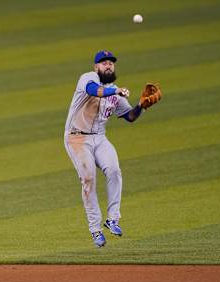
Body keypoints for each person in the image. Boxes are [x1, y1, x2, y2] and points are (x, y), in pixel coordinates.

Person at [63, 50, 159, 247]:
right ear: (96, 67)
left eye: (111, 63)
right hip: (76, 138)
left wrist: (141, 105)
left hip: (100, 138)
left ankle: (113, 218)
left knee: (114, 170)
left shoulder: (115, 92)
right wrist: (116, 91)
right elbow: (94, 91)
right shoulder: (88, 79)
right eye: (103, 62)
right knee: (88, 178)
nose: (108, 65)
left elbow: (130, 117)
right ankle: (95, 229)